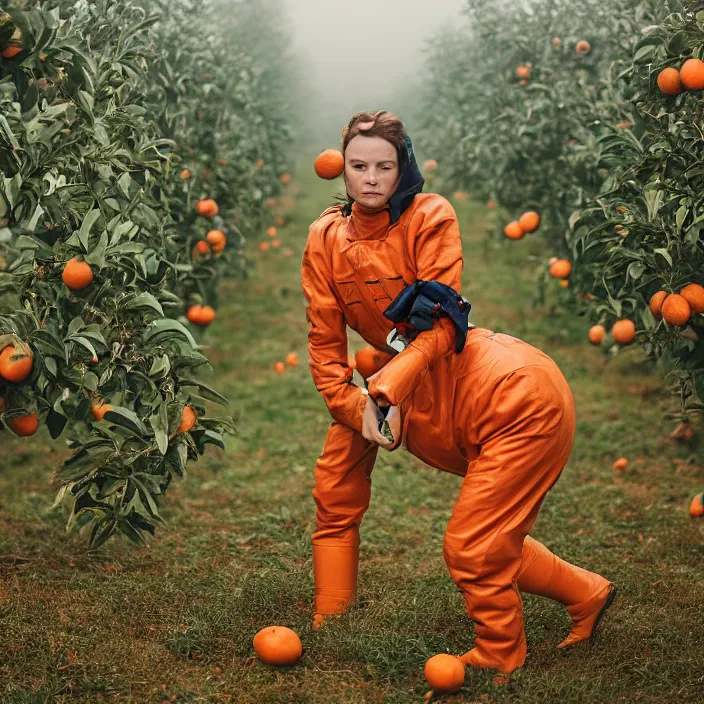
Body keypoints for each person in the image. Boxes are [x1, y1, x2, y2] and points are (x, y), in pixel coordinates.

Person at [300, 110, 616, 674]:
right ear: (341, 171)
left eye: (384, 166)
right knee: (336, 476)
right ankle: (332, 613)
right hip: (405, 376)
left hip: (513, 398)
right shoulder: (325, 235)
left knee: (474, 544)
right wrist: (354, 404)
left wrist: (391, 385)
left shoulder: (429, 215)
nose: (370, 177)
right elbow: (326, 347)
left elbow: (444, 316)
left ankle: (498, 659)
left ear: (403, 170)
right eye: (358, 166)